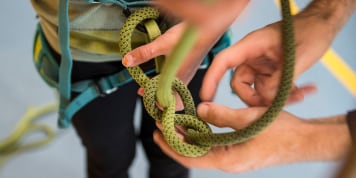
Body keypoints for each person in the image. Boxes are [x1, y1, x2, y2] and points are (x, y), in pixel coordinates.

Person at [123, 0, 356, 173]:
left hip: (189, 53)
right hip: (97, 63)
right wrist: (326, 14)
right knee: (109, 152)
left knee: (169, 157)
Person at [29, 0, 248, 178]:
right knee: (109, 157)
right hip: (84, 53)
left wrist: (204, 35)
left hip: (192, 43)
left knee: (174, 152)